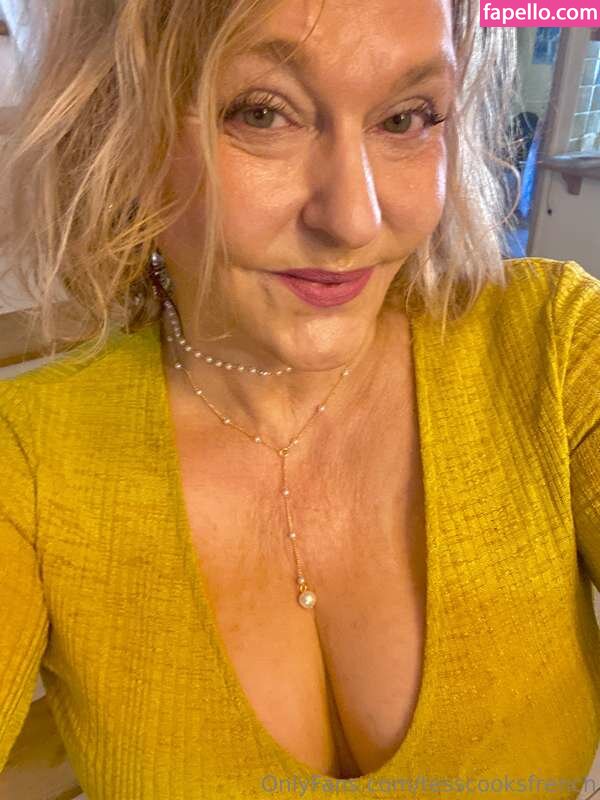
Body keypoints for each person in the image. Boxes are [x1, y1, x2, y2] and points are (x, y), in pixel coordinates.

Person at [0, 0, 599, 798]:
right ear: (121, 127)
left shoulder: (553, 348)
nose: (354, 219)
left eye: (406, 118)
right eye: (262, 113)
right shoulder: (29, 458)